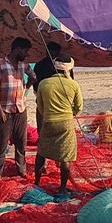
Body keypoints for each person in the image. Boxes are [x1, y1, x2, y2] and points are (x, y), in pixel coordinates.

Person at [34, 55, 84, 195]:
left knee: (41, 152)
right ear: (68, 69)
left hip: (48, 121)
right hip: (66, 123)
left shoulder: (43, 84)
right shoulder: (73, 85)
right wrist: (69, 113)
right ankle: (62, 188)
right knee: (65, 157)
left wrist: (48, 114)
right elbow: (79, 107)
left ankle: (36, 183)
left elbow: (40, 106)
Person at [0, 38, 37, 178]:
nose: (26, 54)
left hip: (20, 110)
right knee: (2, 144)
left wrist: (26, 87)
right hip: (5, 110)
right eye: (25, 51)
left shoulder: (24, 65)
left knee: (21, 143)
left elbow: (33, 77)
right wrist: (0, 110)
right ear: (17, 49)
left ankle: (21, 170)